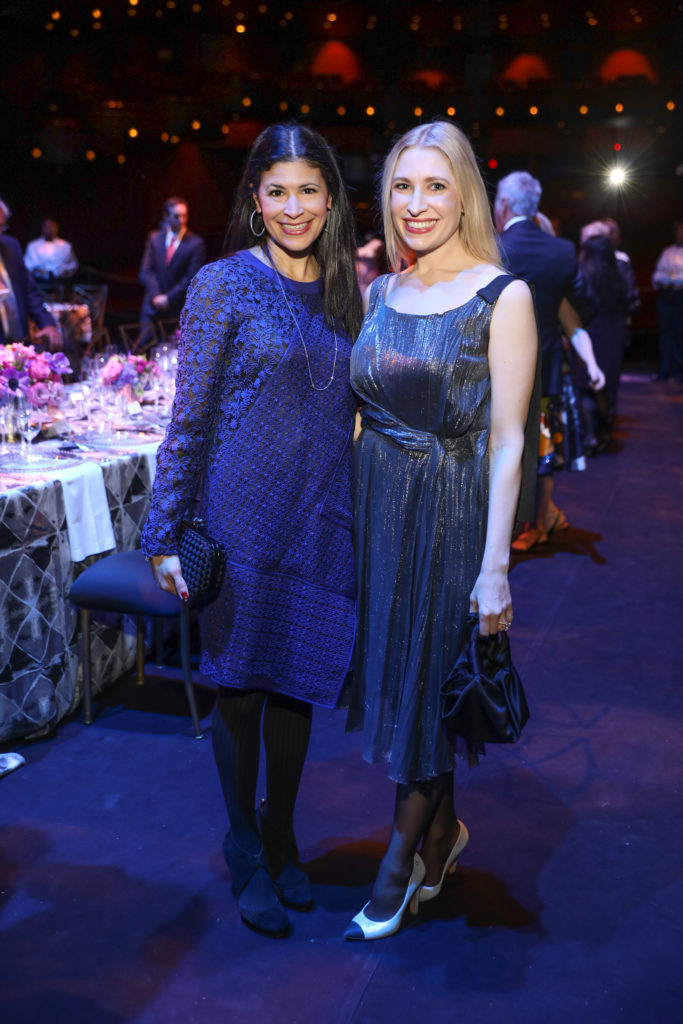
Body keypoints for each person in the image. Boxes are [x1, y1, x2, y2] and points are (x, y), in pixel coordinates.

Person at [141, 124, 362, 938]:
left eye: (309, 189)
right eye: (277, 191)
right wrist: (165, 534)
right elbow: (189, 419)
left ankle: (281, 830)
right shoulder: (224, 284)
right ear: (254, 200)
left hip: (321, 519)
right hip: (240, 518)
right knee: (239, 685)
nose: (293, 206)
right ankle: (243, 840)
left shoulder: (348, 291)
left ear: (330, 200)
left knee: (297, 681)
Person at [344, 121, 537, 941]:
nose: (416, 204)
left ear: (465, 195)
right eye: (400, 186)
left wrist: (495, 567)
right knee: (412, 676)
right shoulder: (381, 292)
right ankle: (446, 835)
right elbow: (359, 413)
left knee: (428, 679)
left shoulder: (504, 295)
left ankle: (398, 865)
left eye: (433, 186)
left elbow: (507, 440)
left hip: (450, 511)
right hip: (378, 511)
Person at [495, 171, 592, 550]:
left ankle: (527, 522)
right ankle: (543, 518)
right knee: (543, 446)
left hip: (498, 368)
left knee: (506, 446)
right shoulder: (563, 251)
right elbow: (585, 305)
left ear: (503, 206)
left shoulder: (493, 247)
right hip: (548, 366)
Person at [574, 234, 629, 450]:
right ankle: (604, 433)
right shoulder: (616, 275)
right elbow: (627, 301)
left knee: (586, 384)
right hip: (611, 333)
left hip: (587, 331)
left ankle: (590, 435)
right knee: (607, 385)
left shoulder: (581, 274)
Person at [138, 196, 206, 349]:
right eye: (176, 216)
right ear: (166, 216)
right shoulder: (155, 238)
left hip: (175, 309)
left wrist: (168, 298)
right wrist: (156, 296)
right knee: (144, 349)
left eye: (184, 216)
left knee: (170, 353)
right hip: (152, 307)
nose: (181, 220)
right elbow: (146, 271)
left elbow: (190, 278)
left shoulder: (195, 243)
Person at [0, 198, 61, 349]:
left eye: (0, 226)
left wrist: (47, 324)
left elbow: (29, 291)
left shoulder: (11, 246)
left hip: (20, 346)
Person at [651, 220, 683, 382]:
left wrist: (672, 279)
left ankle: (679, 371)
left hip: (680, 298)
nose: (680, 234)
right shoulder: (667, 252)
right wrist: (671, 279)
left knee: (679, 333)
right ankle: (664, 370)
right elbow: (657, 276)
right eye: (678, 231)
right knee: (665, 333)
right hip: (666, 297)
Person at [24, 218, 78, 285]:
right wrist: (38, 270)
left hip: (60, 282)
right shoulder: (33, 245)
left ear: (57, 228)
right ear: (42, 228)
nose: (50, 229)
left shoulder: (65, 246)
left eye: (52, 226)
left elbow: (73, 265)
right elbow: (28, 264)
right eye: (47, 227)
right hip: (38, 283)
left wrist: (64, 270)